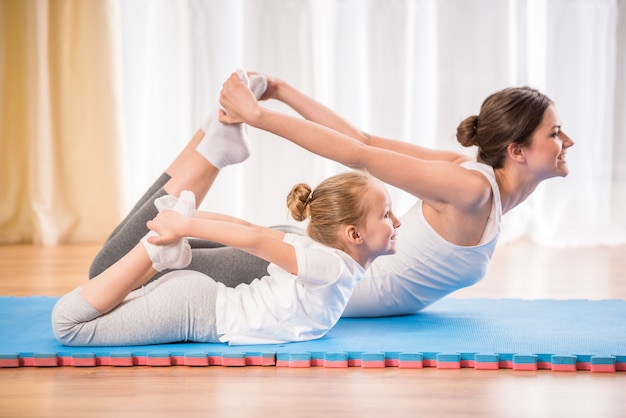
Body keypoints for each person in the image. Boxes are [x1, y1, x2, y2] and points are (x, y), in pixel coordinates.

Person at [217, 71, 575, 317]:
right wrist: (256, 114)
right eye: (556, 133)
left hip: (327, 261)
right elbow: (359, 154)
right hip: (322, 276)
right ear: (517, 151)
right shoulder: (471, 189)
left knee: (179, 241)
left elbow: (364, 142)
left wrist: (280, 90)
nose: (568, 142)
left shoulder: (470, 177)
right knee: (173, 251)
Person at [52, 169, 400, 346]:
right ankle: (155, 250)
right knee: (68, 326)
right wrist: (185, 225)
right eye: (387, 214)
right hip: (196, 312)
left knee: (96, 311)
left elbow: (254, 229)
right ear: (353, 235)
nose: (397, 221)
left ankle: (160, 251)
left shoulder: (321, 254)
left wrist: (192, 220)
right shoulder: (331, 268)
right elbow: (253, 238)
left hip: (198, 302)